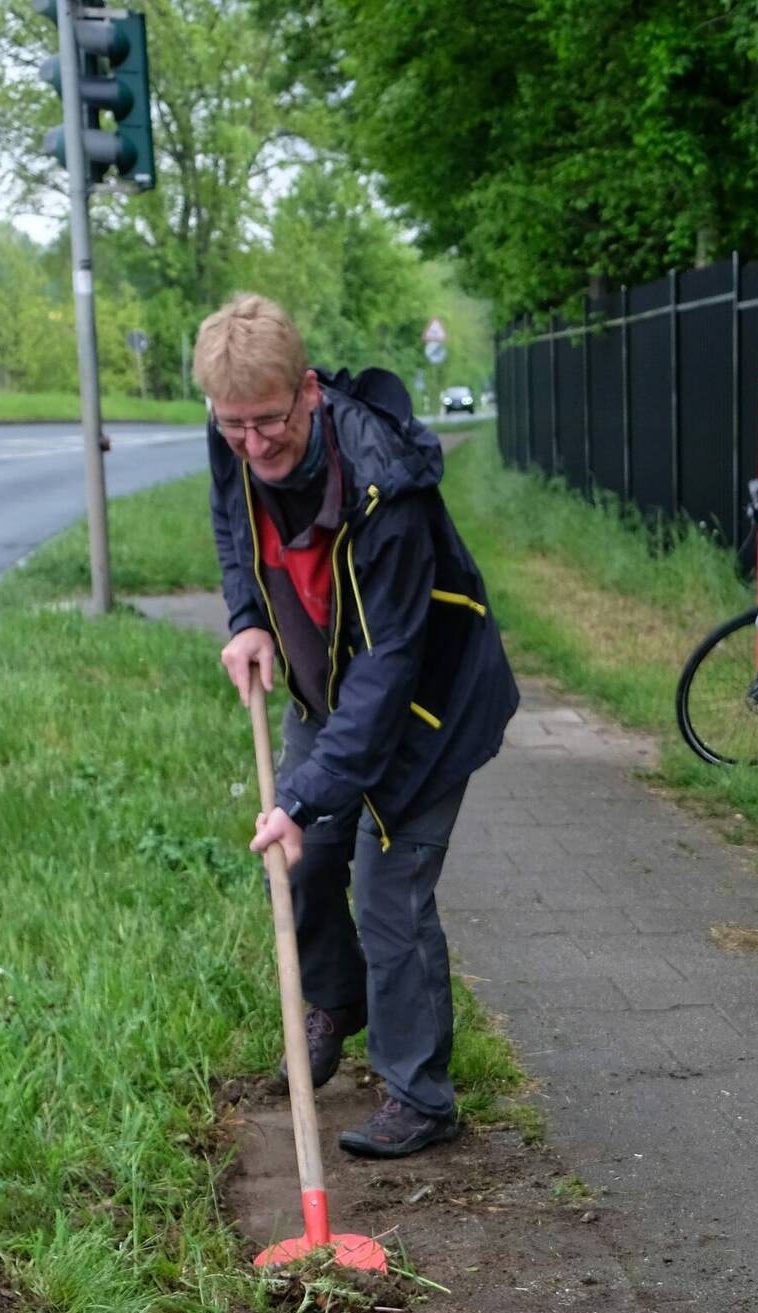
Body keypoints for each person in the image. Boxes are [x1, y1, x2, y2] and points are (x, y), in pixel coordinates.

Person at [197, 293, 519, 1158]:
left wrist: (303, 795)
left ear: (307, 391)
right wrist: (244, 618)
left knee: (388, 895)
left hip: (427, 708)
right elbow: (235, 527)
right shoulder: (231, 437)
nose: (253, 447)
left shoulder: (388, 490)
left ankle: (421, 1097)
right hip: (325, 688)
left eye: (269, 422)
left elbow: (387, 675)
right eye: (234, 428)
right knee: (301, 867)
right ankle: (337, 1000)